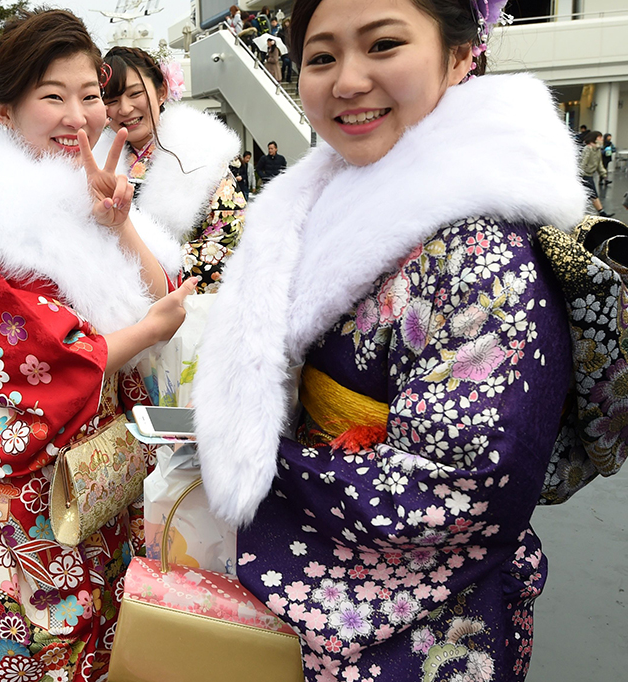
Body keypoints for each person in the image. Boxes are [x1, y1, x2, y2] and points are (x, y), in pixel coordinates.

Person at [193, 0, 590, 678]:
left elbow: (462, 484)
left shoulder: (484, 245)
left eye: (382, 45)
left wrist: (256, 469)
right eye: (321, 57)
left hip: (422, 617)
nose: (347, 80)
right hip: (328, 565)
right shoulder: (323, 198)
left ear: (461, 55)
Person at [0, 10, 195, 680]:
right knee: (44, 635)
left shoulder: (87, 190)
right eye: (52, 96)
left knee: (108, 624)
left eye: (89, 95)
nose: (77, 115)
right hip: (38, 477)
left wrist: (119, 227)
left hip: (103, 460)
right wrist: (148, 332)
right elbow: (46, 362)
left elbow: (162, 288)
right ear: (6, 109)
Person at [98, 46, 246, 292]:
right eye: (111, 100)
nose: (124, 109)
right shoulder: (96, 159)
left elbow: (228, 235)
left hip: (183, 300)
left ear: (161, 92)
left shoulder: (202, 152)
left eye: (135, 94)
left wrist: (156, 274)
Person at [580, 130, 613, 216]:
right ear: (594, 139)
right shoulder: (588, 149)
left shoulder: (597, 150)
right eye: (600, 137)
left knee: (592, 195)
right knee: (592, 195)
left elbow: (599, 164)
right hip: (584, 176)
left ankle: (601, 212)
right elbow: (583, 162)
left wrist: (603, 174)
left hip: (589, 176)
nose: (602, 139)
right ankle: (601, 212)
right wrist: (579, 175)